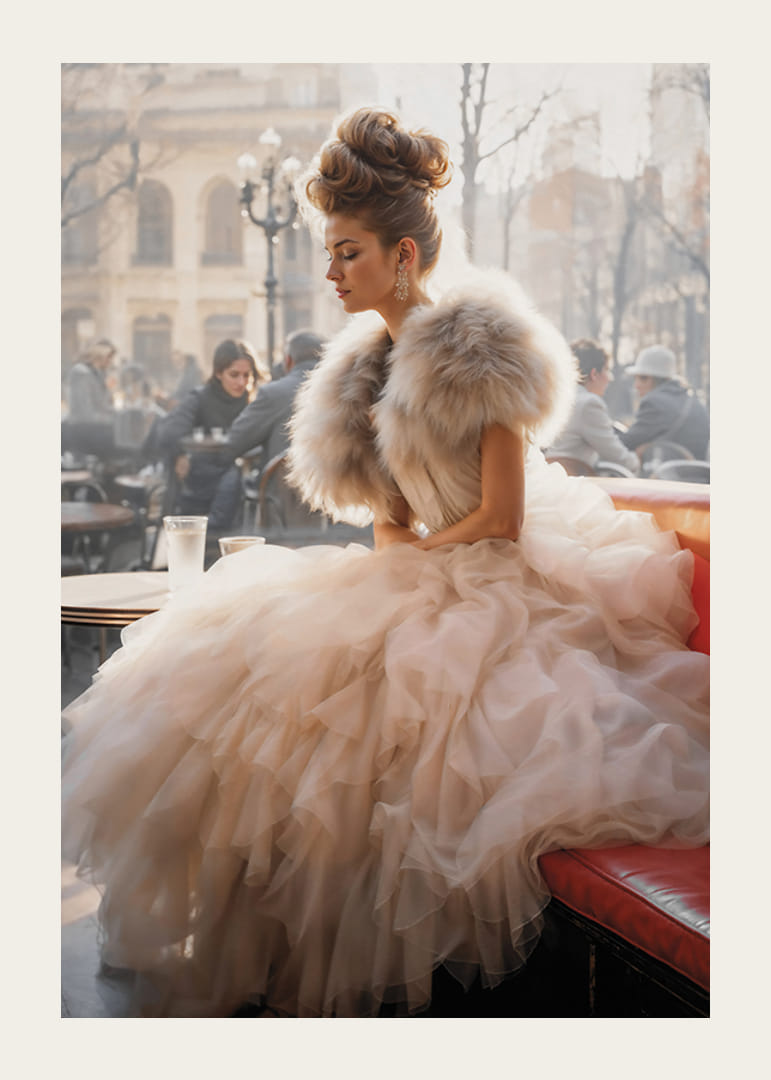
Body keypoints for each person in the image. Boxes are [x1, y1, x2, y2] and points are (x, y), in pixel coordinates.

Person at [62, 108, 708, 1019]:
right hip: (429, 569)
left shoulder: (477, 354)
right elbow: (390, 525)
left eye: (347, 252)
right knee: (248, 672)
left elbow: (500, 517)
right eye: (328, 252)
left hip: (508, 572)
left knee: (402, 705)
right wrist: (398, 568)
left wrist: (413, 569)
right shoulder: (363, 375)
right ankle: (269, 940)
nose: (329, 272)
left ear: (402, 255)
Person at [155, 339, 259, 529]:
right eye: (234, 375)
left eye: (246, 375)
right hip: (202, 477)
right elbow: (169, 430)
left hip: (241, 480)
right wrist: (180, 454)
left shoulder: (255, 401)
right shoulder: (201, 397)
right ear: (219, 373)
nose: (241, 382)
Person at [546, 339, 639, 474]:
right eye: (607, 370)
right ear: (594, 374)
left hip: (549, 477)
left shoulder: (556, 400)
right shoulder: (588, 404)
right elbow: (614, 453)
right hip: (573, 481)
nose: (610, 378)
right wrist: (637, 461)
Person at [619, 345, 710, 461]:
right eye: (635, 378)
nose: (636, 385)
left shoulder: (654, 403)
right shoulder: (693, 399)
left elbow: (626, 443)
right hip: (698, 473)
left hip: (670, 474)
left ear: (659, 379)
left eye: (643, 378)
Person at [66, 338, 117, 420]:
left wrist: (108, 388)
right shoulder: (81, 372)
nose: (110, 361)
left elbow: (105, 406)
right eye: (109, 357)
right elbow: (85, 412)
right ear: (99, 355)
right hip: (82, 428)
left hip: (96, 425)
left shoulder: (100, 374)